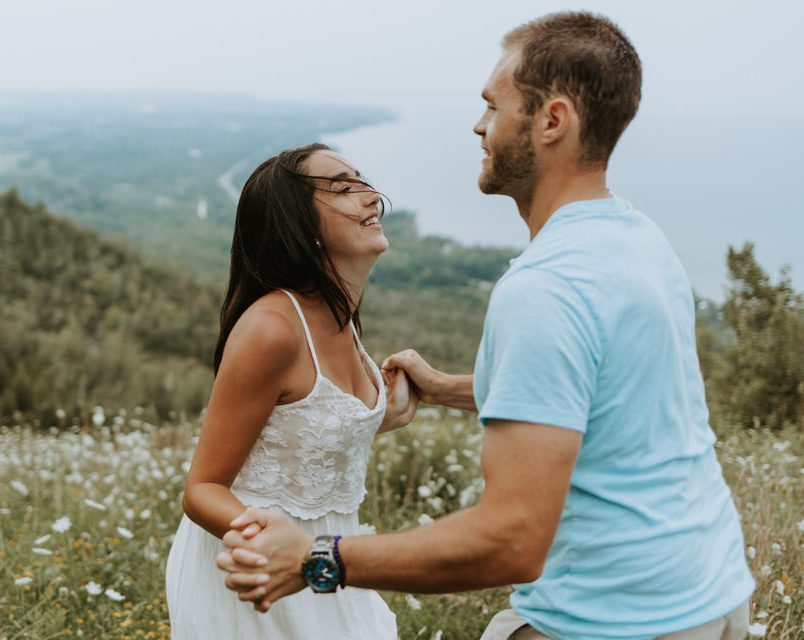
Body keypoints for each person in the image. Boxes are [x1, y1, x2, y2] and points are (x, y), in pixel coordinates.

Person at [217, 12, 755, 640]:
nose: (478, 125)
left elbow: (510, 542)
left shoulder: (543, 288)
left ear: (552, 121)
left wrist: (319, 558)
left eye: (492, 106)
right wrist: (445, 388)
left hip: (614, 618)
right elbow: (599, 390)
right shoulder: (638, 238)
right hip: (714, 592)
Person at [165, 143, 417, 639]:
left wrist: (386, 411)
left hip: (327, 556)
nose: (371, 196)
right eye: (343, 187)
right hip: (258, 569)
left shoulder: (340, 315)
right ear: (299, 227)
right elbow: (201, 490)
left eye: (362, 180)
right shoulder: (272, 331)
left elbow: (303, 432)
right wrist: (281, 550)